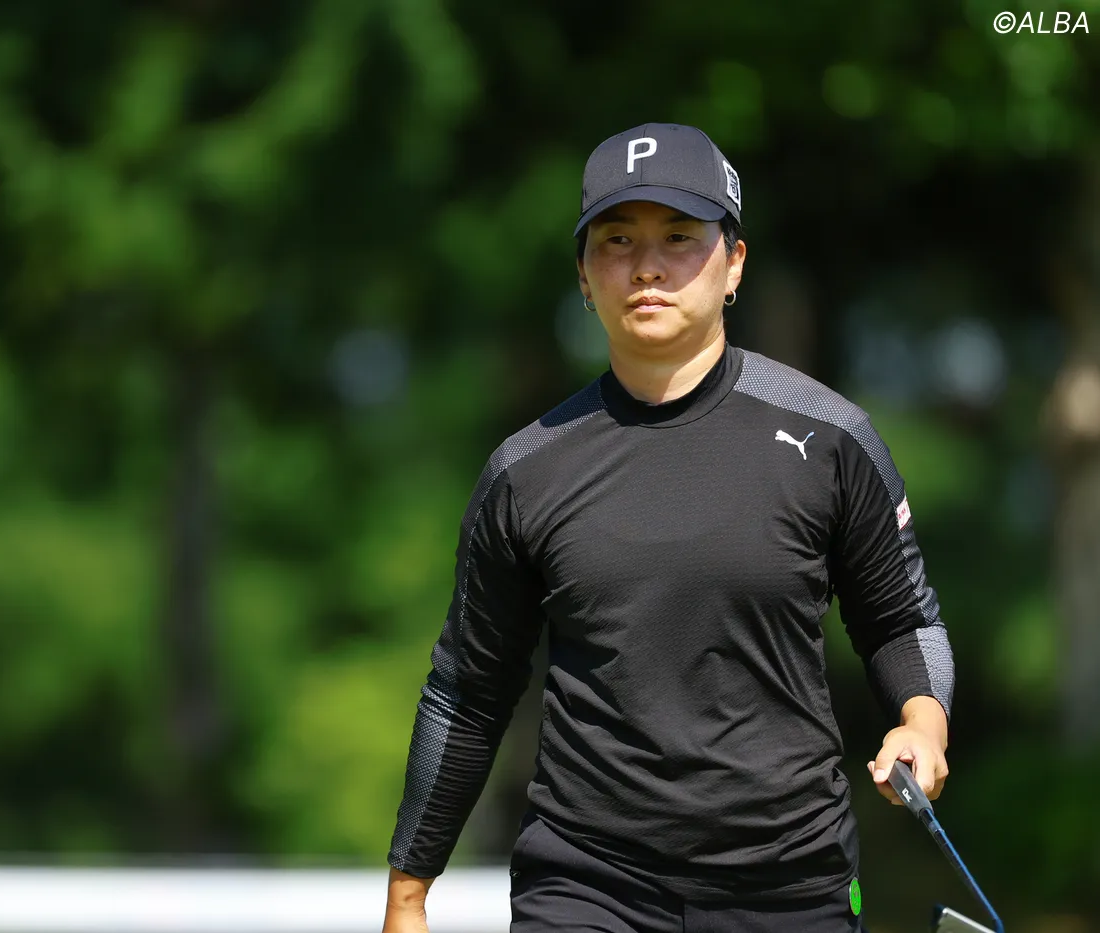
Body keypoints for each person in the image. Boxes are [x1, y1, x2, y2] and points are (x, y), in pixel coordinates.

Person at [380, 123, 954, 933]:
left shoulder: (830, 439)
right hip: (587, 886)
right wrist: (407, 896)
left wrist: (922, 723)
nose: (647, 266)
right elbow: (468, 692)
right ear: (584, 275)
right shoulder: (526, 471)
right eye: (617, 240)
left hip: (790, 887)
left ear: (734, 263)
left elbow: (902, 621)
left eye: (680, 236)